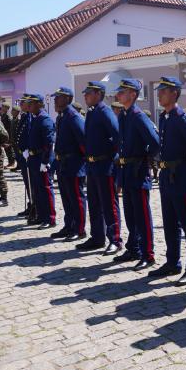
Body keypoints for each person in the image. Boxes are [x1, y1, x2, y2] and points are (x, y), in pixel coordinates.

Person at [148, 76, 186, 285]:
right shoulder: (165, 117)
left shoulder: (183, 119)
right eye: (159, 91)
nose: (159, 94)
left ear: (174, 93)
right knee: (170, 223)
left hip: (181, 177)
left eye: (163, 91)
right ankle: (173, 262)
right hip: (166, 177)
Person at [112, 79, 160, 267]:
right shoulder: (125, 115)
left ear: (133, 94)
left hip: (138, 172)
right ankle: (134, 249)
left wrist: (144, 158)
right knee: (130, 214)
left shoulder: (139, 116)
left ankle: (148, 254)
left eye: (122, 92)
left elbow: (155, 143)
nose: (118, 95)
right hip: (126, 171)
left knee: (142, 216)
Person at [77, 81, 123, 255]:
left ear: (98, 94)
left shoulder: (105, 112)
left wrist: (113, 157)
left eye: (89, 93)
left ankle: (115, 239)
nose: (85, 96)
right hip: (92, 165)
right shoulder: (92, 112)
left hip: (104, 165)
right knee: (94, 203)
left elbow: (118, 137)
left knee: (109, 204)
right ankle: (97, 237)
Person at [50, 87, 88, 241]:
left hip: (74, 163)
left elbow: (83, 141)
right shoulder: (62, 116)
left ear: (67, 98)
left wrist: (81, 161)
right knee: (66, 197)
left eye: (58, 97)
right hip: (63, 163)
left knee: (76, 198)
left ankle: (79, 229)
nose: (54, 100)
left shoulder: (74, 117)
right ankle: (69, 225)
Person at [23, 94, 56, 228]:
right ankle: (41, 216)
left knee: (46, 189)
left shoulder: (45, 119)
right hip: (34, 158)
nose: (28, 106)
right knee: (37, 190)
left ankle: (50, 218)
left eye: (31, 103)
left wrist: (45, 161)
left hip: (42, 159)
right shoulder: (35, 118)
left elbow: (49, 143)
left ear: (39, 104)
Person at [15, 97, 35, 218]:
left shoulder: (30, 118)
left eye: (22, 103)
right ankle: (31, 204)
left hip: (28, 155)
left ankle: (34, 207)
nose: (20, 104)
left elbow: (29, 136)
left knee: (31, 184)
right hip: (23, 155)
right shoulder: (24, 116)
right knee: (28, 184)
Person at [0, 103, 16, 169]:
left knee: (9, 150)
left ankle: (12, 162)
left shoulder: (8, 116)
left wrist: (10, 137)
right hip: (5, 135)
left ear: (7, 108)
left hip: (8, 135)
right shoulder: (3, 115)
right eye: (2, 106)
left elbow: (10, 127)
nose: (2, 108)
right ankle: (10, 162)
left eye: (4, 107)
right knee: (7, 150)